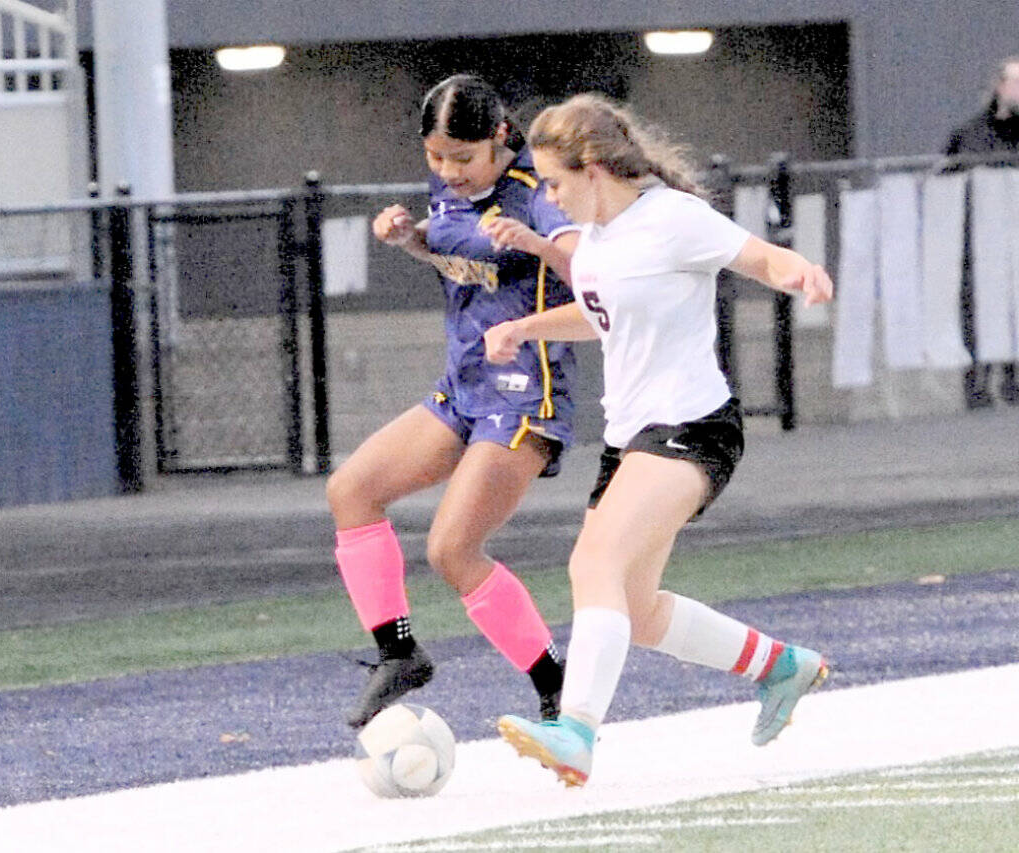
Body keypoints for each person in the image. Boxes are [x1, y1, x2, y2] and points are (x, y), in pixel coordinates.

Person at [481, 94, 835, 787]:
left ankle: (577, 732)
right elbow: (601, 315)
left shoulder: (672, 218)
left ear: (592, 167)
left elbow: (759, 257)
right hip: (631, 438)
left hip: (692, 427)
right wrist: (527, 329)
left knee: (593, 566)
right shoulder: (601, 238)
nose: (547, 196)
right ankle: (783, 667)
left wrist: (796, 271)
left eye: (553, 181)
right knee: (636, 610)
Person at [326, 74, 580, 730]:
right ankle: (399, 653)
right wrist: (410, 238)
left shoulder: (536, 194)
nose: (448, 172)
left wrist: (541, 245)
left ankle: (558, 685)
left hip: (524, 396)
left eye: (462, 158)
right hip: (462, 389)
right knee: (351, 490)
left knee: (451, 550)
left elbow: (595, 273)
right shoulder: (449, 188)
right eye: (435, 157)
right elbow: (459, 259)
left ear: (500, 137)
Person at [945, 56, 1019, 409]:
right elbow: (947, 179)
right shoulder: (971, 134)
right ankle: (977, 384)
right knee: (977, 309)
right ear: (1001, 86)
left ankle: (1016, 382)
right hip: (978, 243)